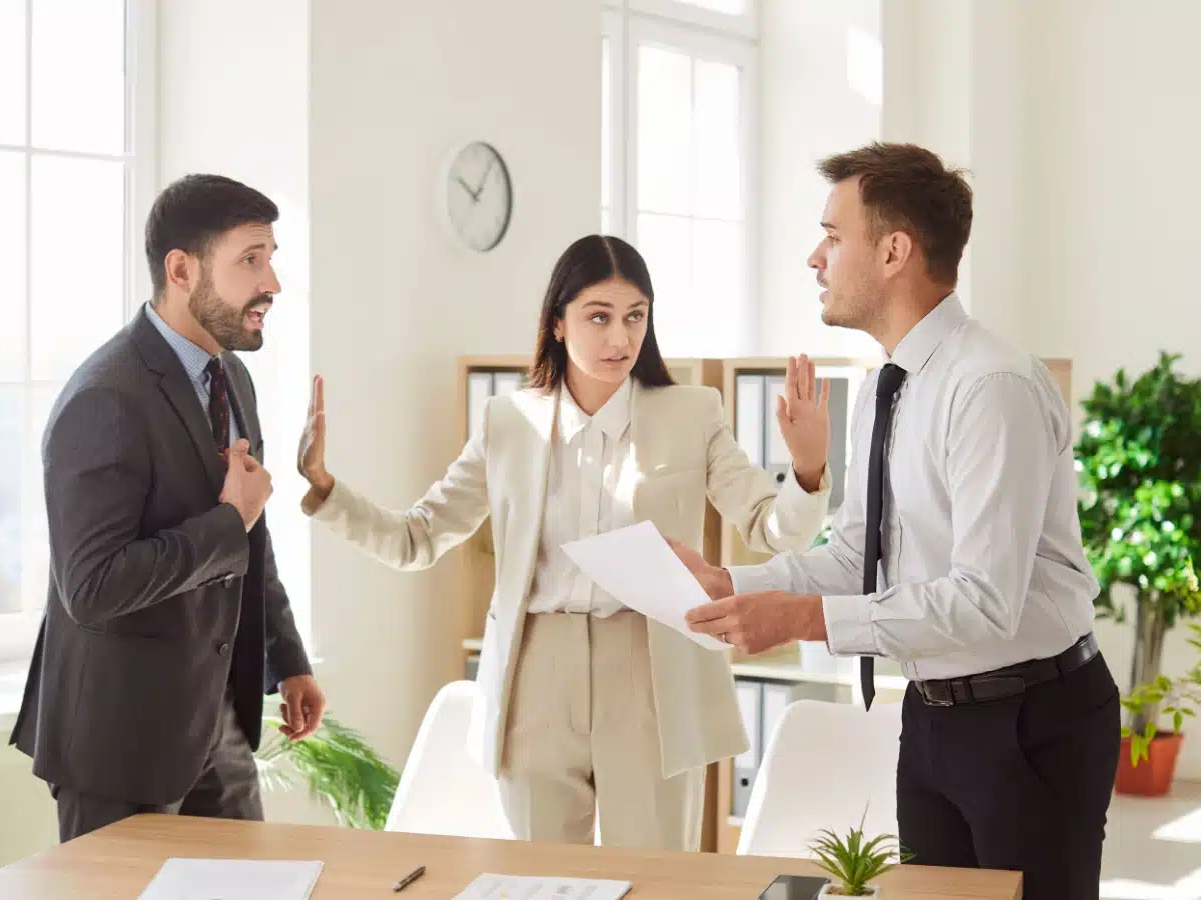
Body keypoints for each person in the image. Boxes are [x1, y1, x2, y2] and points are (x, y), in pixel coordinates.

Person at [671, 143, 1119, 898]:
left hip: (1033, 720)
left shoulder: (990, 387)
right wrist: (733, 583)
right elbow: (855, 555)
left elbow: (982, 600)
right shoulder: (887, 386)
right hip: (934, 715)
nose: (815, 257)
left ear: (894, 251)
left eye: (832, 235)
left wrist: (804, 620)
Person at [294, 235, 832, 851]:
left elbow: (773, 527)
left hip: (650, 666)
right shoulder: (507, 422)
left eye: (635, 317)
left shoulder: (692, 412)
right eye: (598, 317)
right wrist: (325, 489)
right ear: (557, 322)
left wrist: (809, 469)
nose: (619, 339)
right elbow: (415, 539)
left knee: (656, 884)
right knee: (545, 883)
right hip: (536, 677)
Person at [10, 173, 325, 843]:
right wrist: (225, 521)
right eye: (251, 259)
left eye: (270, 257)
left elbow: (249, 541)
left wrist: (286, 658)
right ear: (181, 270)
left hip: (219, 729)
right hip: (119, 744)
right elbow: (91, 587)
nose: (271, 281)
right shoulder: (105, 398)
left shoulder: (232, 376)